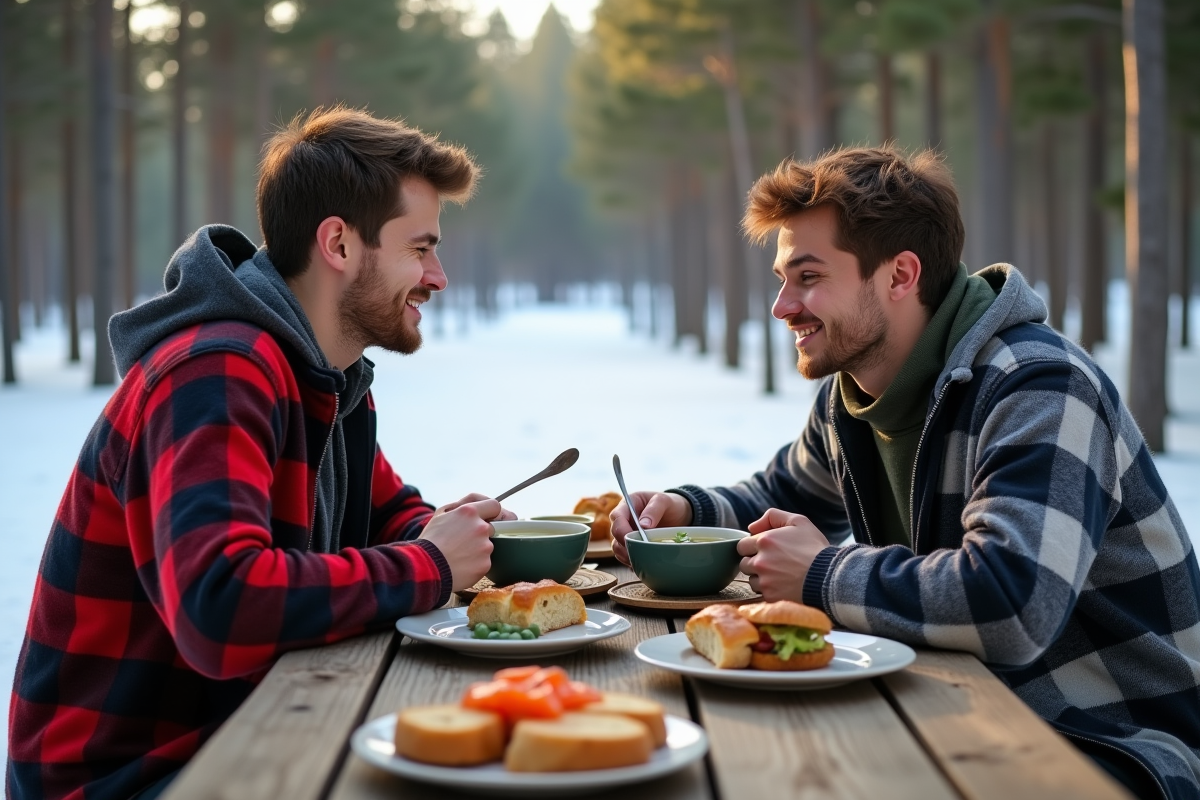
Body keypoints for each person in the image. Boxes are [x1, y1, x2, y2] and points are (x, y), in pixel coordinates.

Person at [611, 147, 1200, 800]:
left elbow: (1012, 603)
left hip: (1109, 743)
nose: (782, 306)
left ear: (900, 275)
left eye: (807, 277)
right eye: (782, 278)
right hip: (963, 710)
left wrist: (822, 574)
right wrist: (683, 510)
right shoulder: (857, 391)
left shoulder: (1039, 387)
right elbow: (781, 494)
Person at [6, 107, 512, 800]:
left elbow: (382, 514)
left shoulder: (330, 378)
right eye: (420, 248)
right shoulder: (215, 372)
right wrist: (428, 564)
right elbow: (220, 604)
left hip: (251, 727)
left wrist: (454, 536)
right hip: (134, 778)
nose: (439, 276)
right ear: (338, 242)